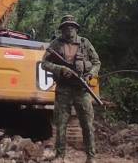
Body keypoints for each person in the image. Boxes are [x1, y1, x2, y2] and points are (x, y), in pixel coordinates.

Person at [42, 15, 101, 163]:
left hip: (82, 90)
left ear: (76, 28)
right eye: (66, 26)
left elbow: (96, 62)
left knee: (87, 124)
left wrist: (91, 75)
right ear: (62, 29)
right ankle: (59, 156)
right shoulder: (56, 44)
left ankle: (91, 157)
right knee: (60, 124)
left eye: (72, 26)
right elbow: (44, 64)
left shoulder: (84, 43)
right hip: (63, 90)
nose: (69, 29)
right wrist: (60, 69)